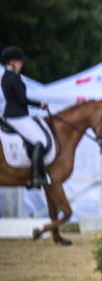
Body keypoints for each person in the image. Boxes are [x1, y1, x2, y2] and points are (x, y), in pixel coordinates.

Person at [1, 46, 50, 188]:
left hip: (11, 115)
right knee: (40, 140)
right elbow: (22, 100)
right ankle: (35, 177)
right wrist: (39, 104)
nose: (21, 64)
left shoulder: (6, 76)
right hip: (18, 116)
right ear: (11, 62)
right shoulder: (14, 77)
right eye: (18, 61)